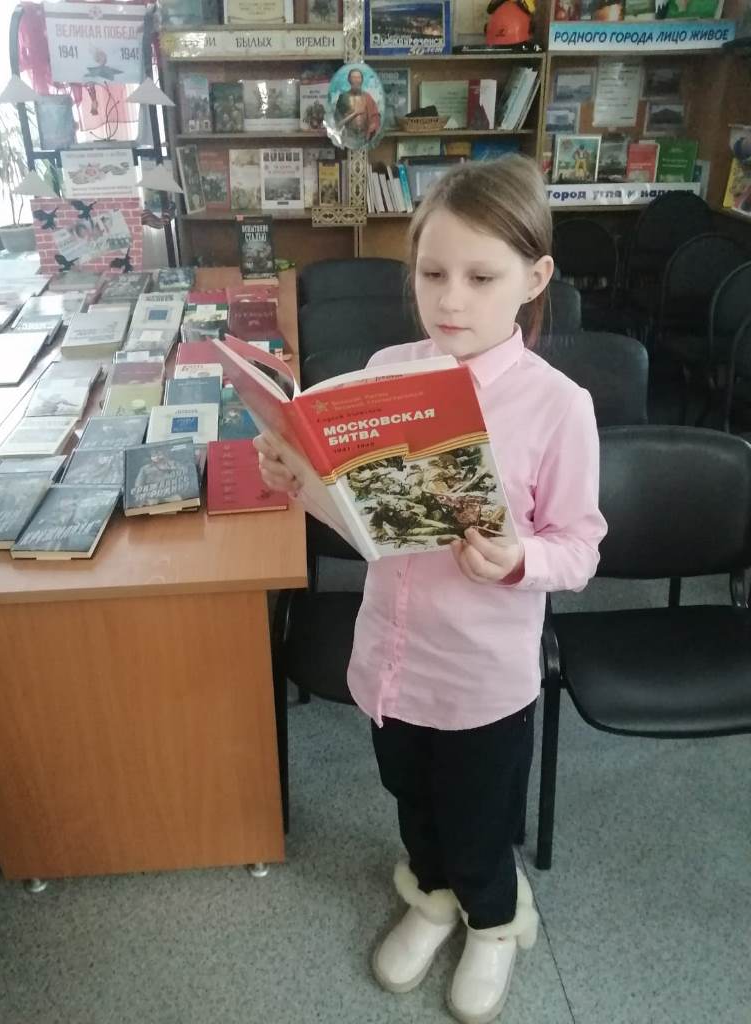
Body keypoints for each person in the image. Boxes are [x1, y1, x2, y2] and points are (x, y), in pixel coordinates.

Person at [255, 155, 607, 1024]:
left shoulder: (557, 405)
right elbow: (369, 527)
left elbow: (580, 548)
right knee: (411, 799)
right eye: (432, 273)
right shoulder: (390, 370)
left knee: (479, 817)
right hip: (393, 659)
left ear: (534, 279)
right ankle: (432, 894)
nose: (451, 300)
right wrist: (301, 483)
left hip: (483, 678)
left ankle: (493, 919)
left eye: (482, 278)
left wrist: (520, 559)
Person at [334, 68, 381, 145]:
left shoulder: (367, 97)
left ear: (362, 80)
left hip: (364, 137)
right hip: (349, 137)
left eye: (358, 77)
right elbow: (337, 123)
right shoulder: (343, 97)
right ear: (349, 80)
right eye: (354, 77)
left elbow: (375, 116)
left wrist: (372, 127)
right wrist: (355, 113)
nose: (356, 80)